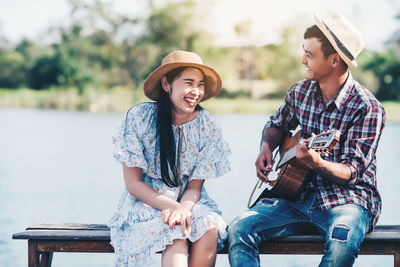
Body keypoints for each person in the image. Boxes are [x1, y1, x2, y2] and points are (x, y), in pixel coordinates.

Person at [228, 12, 385, 267]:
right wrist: (266, 147)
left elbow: (352, 172)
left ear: (334, 60)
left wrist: (316, 163)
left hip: (348, 200)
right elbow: (276, 124)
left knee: (341, 238)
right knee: (239, 228)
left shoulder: (368, 108)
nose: (303, 60)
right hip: (296, 197)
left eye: (309, 55)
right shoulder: (299, 91)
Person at [108, 50, 231, 267]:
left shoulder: (207, 125)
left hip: (189, 200)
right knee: (176, 236)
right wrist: (173, 208)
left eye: (200, 84)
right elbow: (133, 184)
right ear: (166, 85)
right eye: (188, 83)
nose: (196, 91)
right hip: (146, 201)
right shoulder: (140, 118)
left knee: (209, 229)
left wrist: (182, 208)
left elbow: (195, 187)